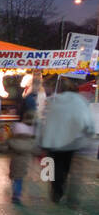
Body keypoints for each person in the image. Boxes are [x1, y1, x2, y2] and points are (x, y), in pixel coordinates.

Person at [38, 74, 95, 206]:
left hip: (53, 141)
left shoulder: (52, 101)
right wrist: (90, 132)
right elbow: (86, 119)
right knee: (66, 166)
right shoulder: (79, 100)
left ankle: (57, 190)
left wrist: (41, 139)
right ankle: (64, 187)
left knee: (55, 166)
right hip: (72, 141)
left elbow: (44, 121)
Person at [6, 109, 36, 205]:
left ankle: (15, 191)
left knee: (15, 175)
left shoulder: (17, 126)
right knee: (21, 177)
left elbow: (9, 139)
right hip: (25, 157)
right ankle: (17, 195)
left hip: (15, 156)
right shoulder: (33, 129)